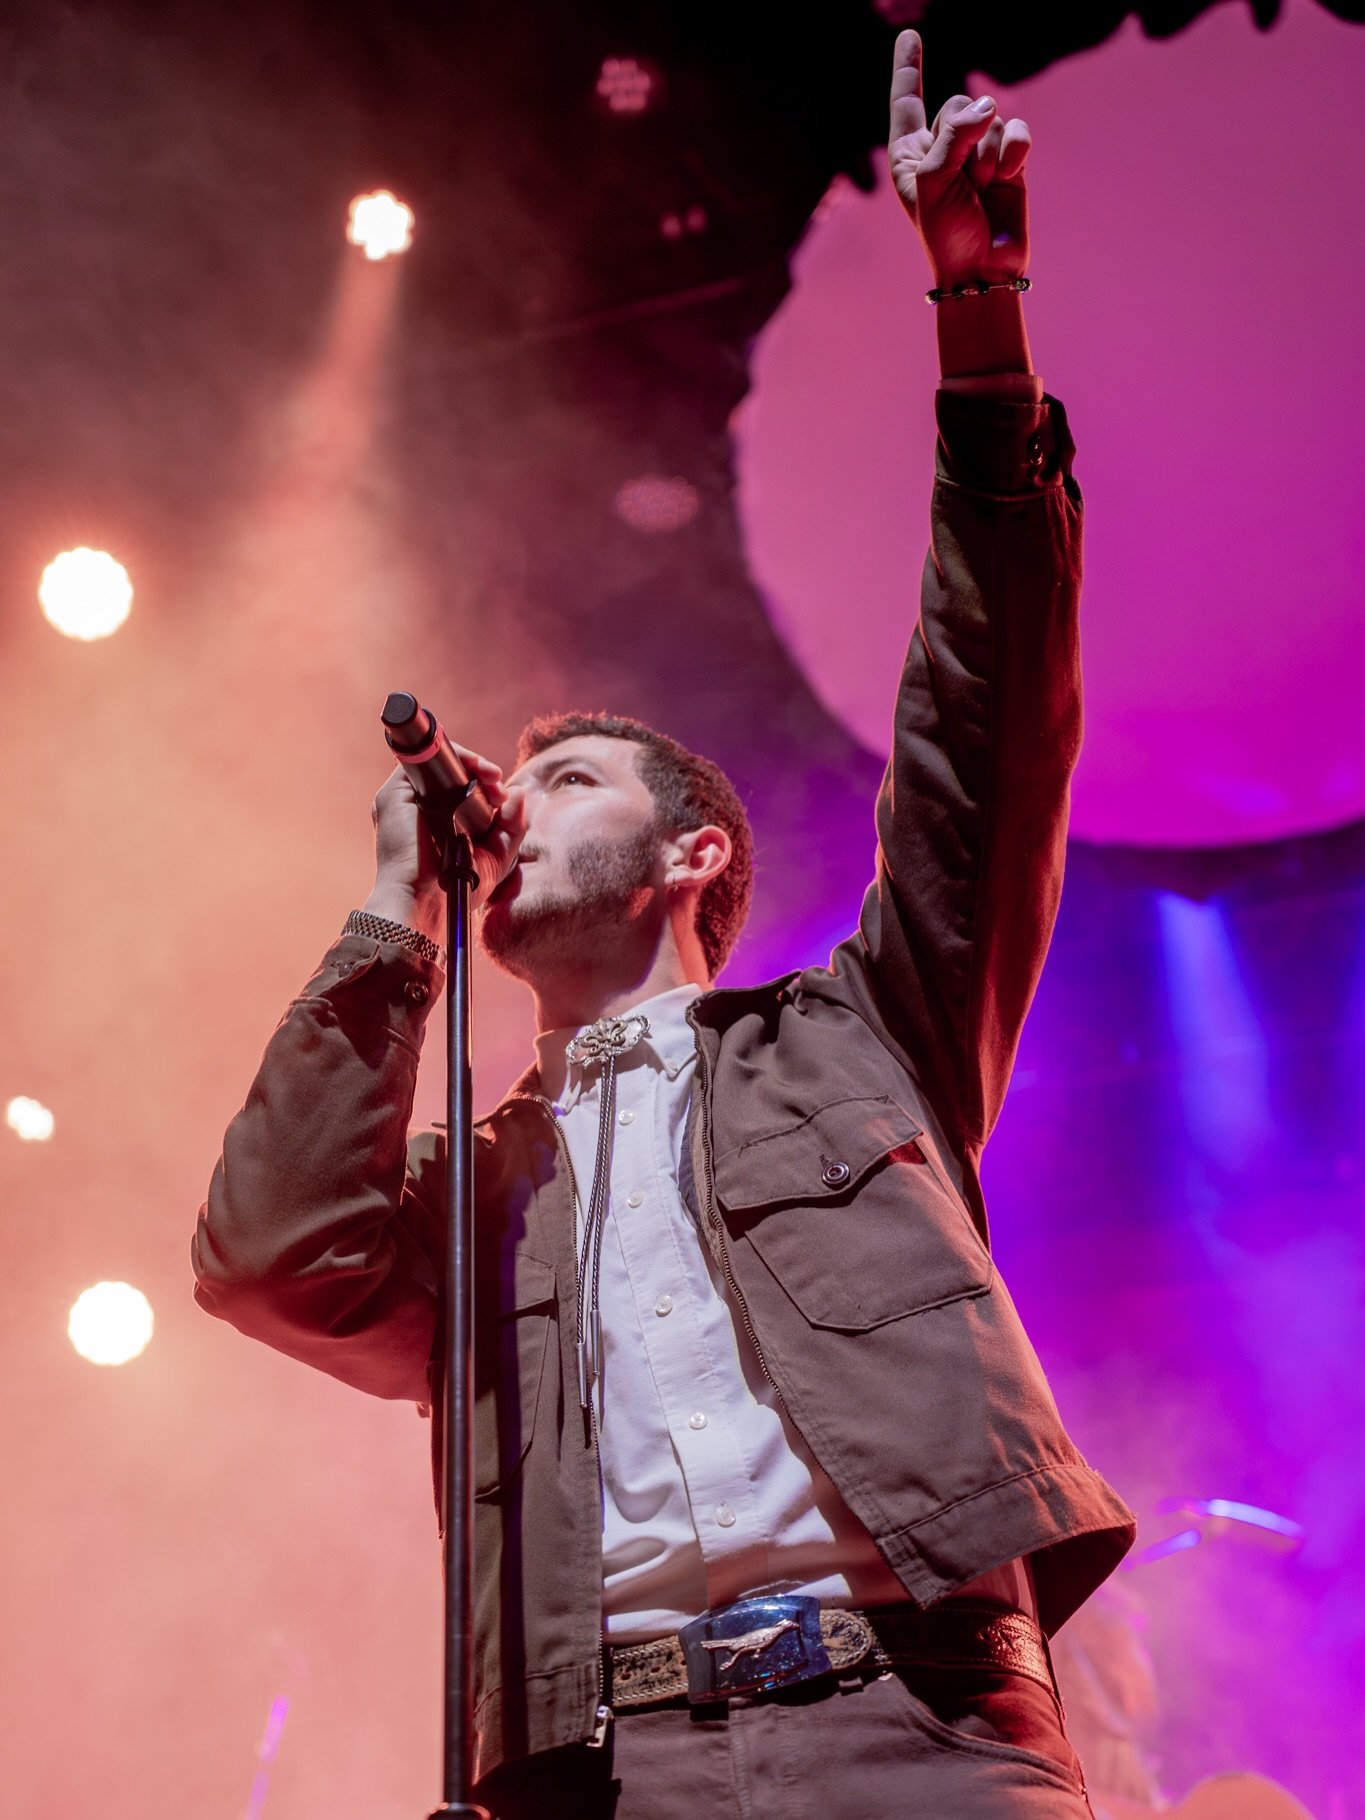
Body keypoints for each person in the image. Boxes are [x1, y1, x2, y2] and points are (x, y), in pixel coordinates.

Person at [193, 31, 1135, 1819]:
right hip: (600, 1769)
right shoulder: (476, 1198)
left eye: (566, 788)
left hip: (912, 1734)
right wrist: (393, 907)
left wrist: (978, 331)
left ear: (695, 854)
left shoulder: (858, 1038)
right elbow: (264, 1256)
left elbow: (982, 732)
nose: (510, 815)